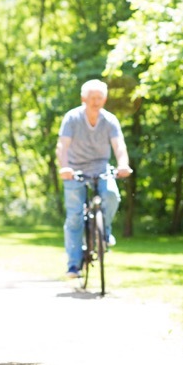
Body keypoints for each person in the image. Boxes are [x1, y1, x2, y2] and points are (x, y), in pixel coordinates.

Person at [56, 79, 132, 278]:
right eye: (92, 98)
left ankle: (103, 232)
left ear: (105, 99)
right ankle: (73, 264)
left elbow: (119, 146)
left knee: (111, 195)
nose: (96, 101)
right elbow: (62, 146)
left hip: (100, 167)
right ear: (83, 99)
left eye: (100, 97)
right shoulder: (72, 118)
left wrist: (123, 164)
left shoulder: (109, 120)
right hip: (74, 169)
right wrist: (64, 167)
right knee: (74, 216)